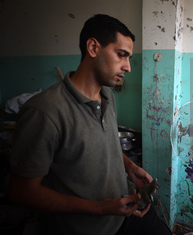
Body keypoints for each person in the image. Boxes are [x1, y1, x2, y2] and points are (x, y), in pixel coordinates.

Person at [9, 14, 172, 235]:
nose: (128, 67)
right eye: (121, 55)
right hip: (89, 227)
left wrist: (130, 167)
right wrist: (101, 208)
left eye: (129, 58)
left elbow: (105, 142)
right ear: (93, 48)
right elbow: (22, 192)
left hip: (127, 212)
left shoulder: (107, 95)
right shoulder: (44, 111)